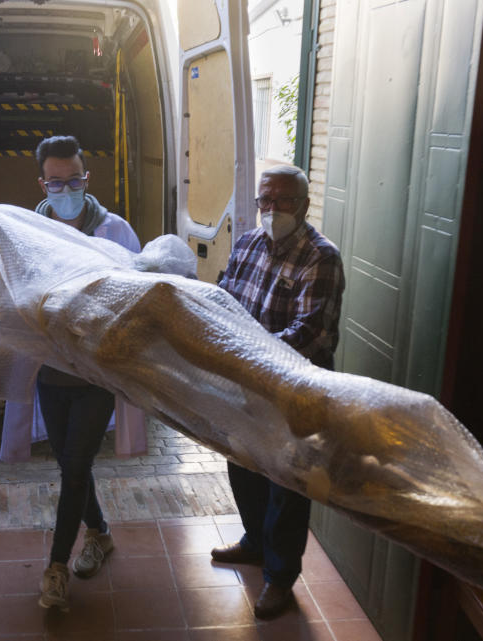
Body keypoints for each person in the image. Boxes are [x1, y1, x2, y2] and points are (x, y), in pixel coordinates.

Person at [1, 135, 144, 611]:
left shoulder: (117, 232)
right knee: (69, 463)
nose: (67, 189)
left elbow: (139, 297)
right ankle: (100, 534)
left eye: (75, 179)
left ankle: (56, 567)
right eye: (56, 182)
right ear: (42, 183)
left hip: (96, 375)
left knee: (76, 465)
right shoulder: (26, 233)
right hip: (49, 372)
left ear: (88, 178)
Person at [211, 164, 345, 619]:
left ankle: (280, 577)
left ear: (304, 204)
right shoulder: (247, 242)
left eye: (283, 201)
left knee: (287, 484)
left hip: (292, 390)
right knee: (244, 467)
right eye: (264, 201)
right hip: (244, 385)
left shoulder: (320, 256)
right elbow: (224, 299)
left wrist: (245, 354)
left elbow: (308, 332)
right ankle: (253, 542)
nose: (272, 210)